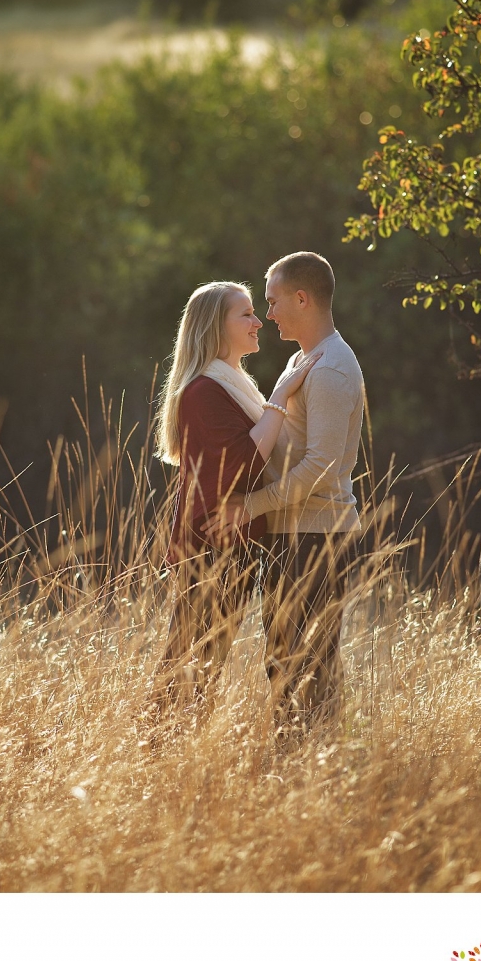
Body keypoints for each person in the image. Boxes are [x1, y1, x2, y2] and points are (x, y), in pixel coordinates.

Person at [202, 252, 365, 732]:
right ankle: (298, 763)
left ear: (302, 298)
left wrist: (251, 505)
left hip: (315, 537)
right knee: (284, 662)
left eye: (273, 302)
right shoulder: (302, 360)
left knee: (305, 666)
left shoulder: (331, 369)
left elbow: (321, 468)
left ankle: (313, 763)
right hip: (291, 533)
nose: (268, 314)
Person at [153, 280, 319, 705]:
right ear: (215, 326)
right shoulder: (204, 392)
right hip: (211, 546)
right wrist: (281, 395)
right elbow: (246, 461)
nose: (258, 322)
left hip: (232, 544)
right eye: (245, 314)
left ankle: (172, 741)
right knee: (189, 668)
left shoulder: (231, 384)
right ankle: (156, 741)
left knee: (201, 667)